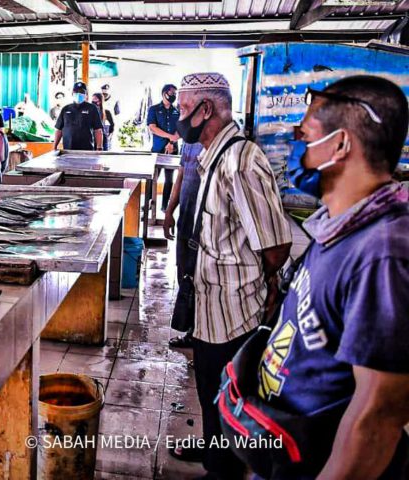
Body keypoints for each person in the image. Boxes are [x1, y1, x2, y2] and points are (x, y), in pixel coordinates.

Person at [252, 76, 409, 479]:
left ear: (340, 145)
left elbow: (377, 417)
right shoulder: (340, 226)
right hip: (288, 450)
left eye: (306, 134)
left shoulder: (384, 253)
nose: (296, 145)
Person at [172, 72, 292, 479]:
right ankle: (213, 452)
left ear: (206, 109)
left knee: (228, 394)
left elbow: (275, 247)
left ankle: (224, 468)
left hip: (235, 310)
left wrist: (255, 284)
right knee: (209, 390)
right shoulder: (214, 157)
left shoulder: (241, 160)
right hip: (212, 306)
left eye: (184, 109)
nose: (179, 117)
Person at [162, 141, 204, 349]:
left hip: (205, 228)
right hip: (185, 221)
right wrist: (169, 211)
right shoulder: (188, 143)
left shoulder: (216, 144)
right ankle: (192, 331)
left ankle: (204, 337)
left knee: (203, 282)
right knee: (184, 277)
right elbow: (180, 177)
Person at [147, 84, 180, 212]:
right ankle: (149, 203)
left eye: (175, 94)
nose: (173, 96)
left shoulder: (177, 111)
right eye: (171, 93)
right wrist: (169, 137)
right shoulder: (154, 109)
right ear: (164, 93)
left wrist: (172, 141)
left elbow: (180, 129)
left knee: (169, 179)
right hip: (157, 148)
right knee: (153, 177)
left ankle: (165, 206)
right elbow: (153, 127)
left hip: (172, 149)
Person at [53, 82, 103, 152]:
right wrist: (54, 146)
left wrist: (99, 148)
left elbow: (98, 130)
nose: (78, 94)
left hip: (87, 151)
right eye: (76, 91)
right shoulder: (65, 109)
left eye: (81, 92)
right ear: (72, 93)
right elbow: (59, 130)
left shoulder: (92, 108)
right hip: (68, 150)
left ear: (86, 94)